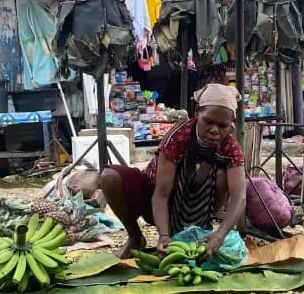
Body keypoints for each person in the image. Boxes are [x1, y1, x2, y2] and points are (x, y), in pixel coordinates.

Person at [100, 83, 247, 258]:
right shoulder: (178, 138)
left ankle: (201, 232)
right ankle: (135, 237)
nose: (214, 130)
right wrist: (163, 236)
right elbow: (161, 194)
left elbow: (239, 197)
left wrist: (220, 235)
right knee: (110, 177)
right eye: (208, 121)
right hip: (159, 200)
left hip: (199, 207)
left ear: (231, 125)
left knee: (223, 175)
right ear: (197, 112)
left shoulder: (231, 147)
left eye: (222, 126)